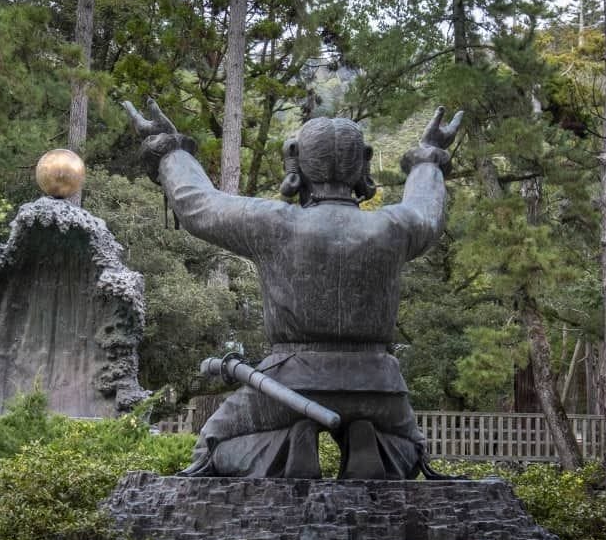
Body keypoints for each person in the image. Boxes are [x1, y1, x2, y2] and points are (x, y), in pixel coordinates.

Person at [124, 99, 463, 479]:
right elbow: (428, 210)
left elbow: (197, 204)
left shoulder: (273, 224)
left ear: (296, 161)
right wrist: (428, 158)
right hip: (379, 384)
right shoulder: (395, 227)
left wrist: (168, 149)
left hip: (292, 382)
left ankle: (284, 448)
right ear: (363, 163)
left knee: (214, 445)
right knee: (410, 451)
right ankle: (375, 445)